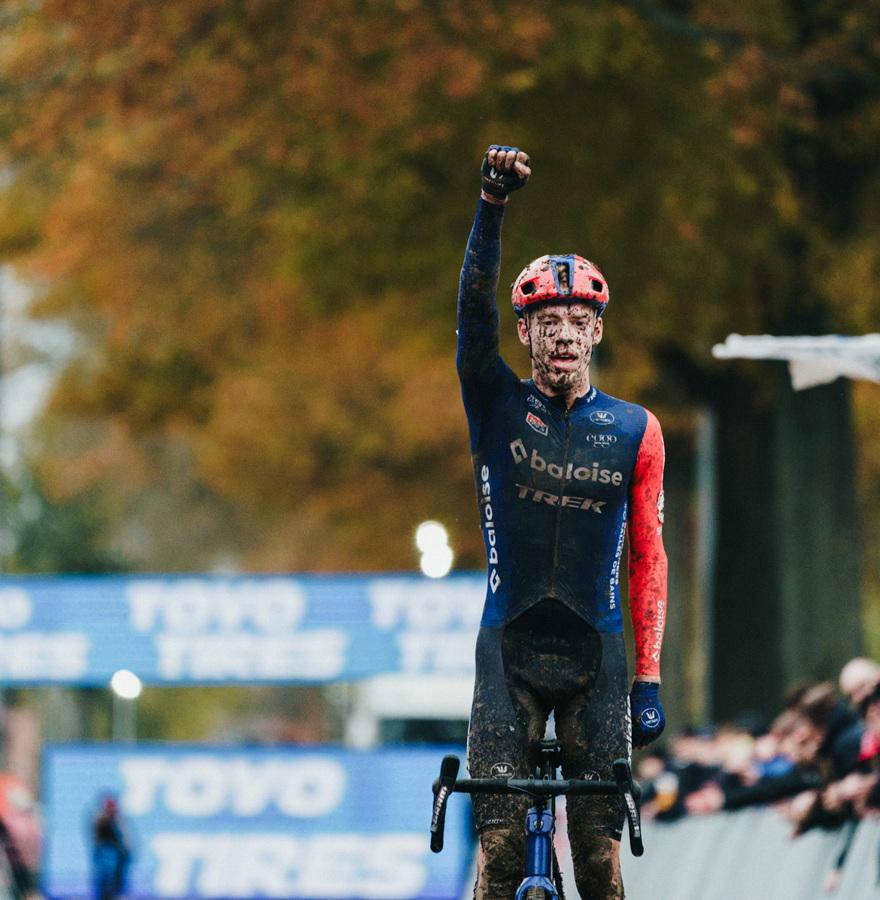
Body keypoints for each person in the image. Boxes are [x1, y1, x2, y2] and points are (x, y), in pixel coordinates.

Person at [458, 145, 668, 899]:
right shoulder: (495, 402)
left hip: (596, 654)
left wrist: (646, 676)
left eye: (581, 319)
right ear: (526, 334)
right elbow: (472, 318)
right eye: (549, 320)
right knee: (502, 851)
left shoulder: (636, 429)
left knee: (600, 862)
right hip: (508, 649)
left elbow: (649, 555)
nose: (566, 333)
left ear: (600, 333)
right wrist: (491, 208)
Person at [91, 795, 131, 900]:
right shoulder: (100, 819)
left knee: (117, 881)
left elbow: (126, 840)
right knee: (104, 879)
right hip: (105, 854)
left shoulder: (119, 820)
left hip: (118, 857)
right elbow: (96, 837)